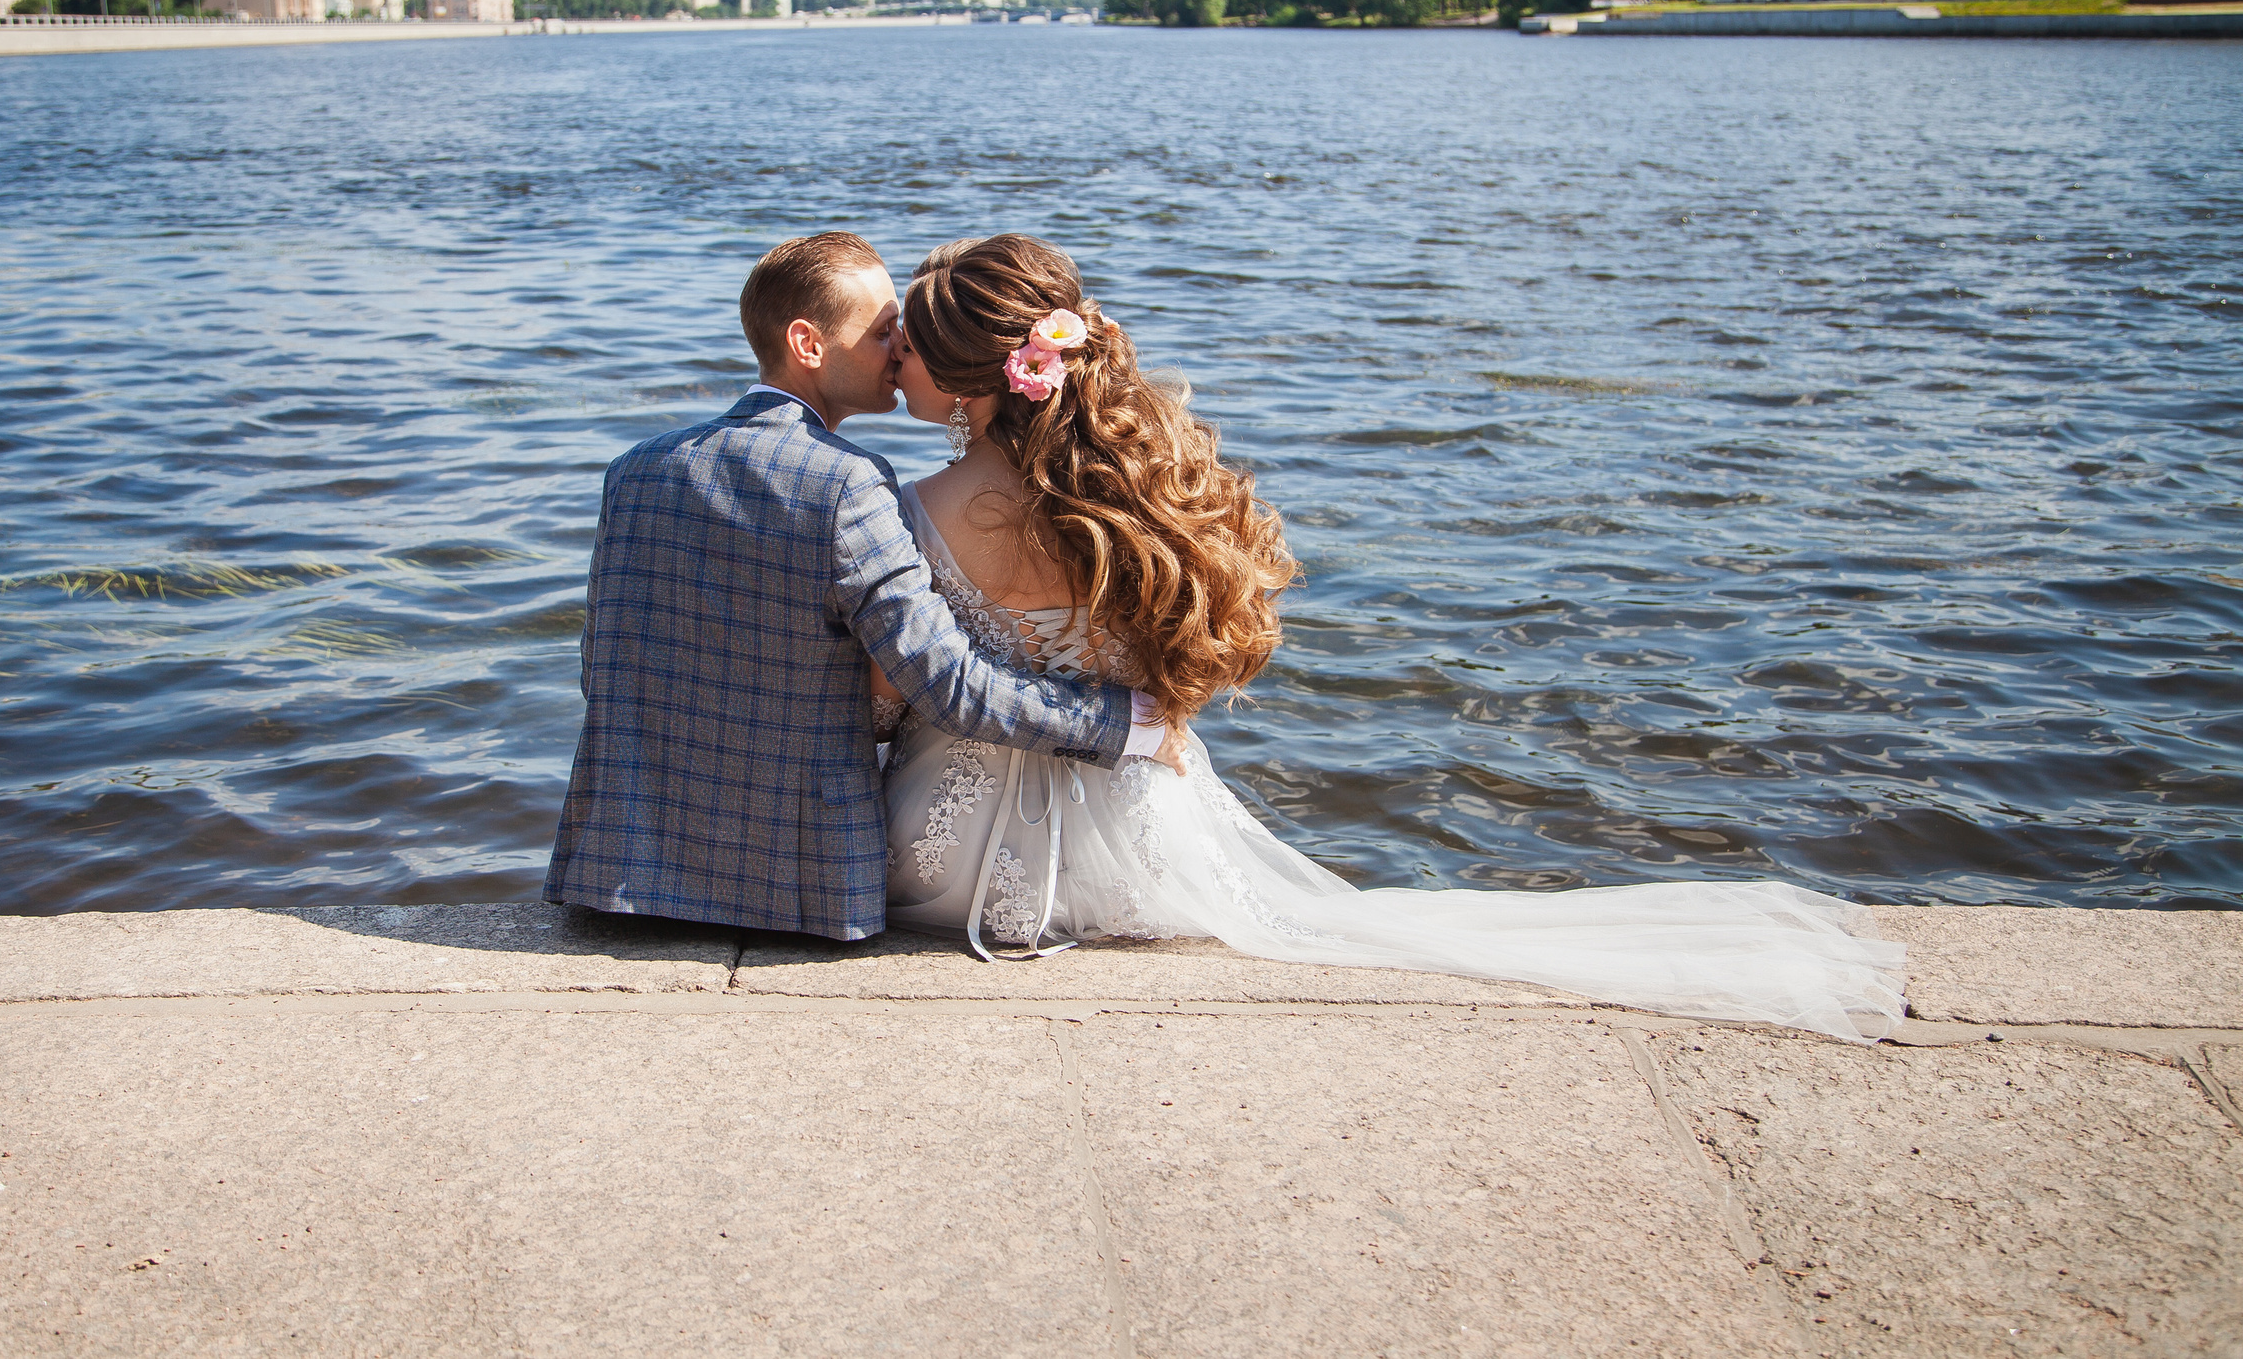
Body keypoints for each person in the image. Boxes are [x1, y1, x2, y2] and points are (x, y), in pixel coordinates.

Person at [876, 234, 1906, 1041]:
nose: (894, 360)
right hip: (1136, 841)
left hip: (942, 857)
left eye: (909, 346)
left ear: (970, 382)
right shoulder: (1141, 496)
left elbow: (897, 691)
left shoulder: (914, 508)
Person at [544, 232, 1181, 942]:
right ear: (808, 344)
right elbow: (946, 685)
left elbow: (599, 667)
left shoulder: (632, 469)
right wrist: (1122, 723)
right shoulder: (847, 481)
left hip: (618, 875)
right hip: (797, 891)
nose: (904, 350)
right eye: (884, 332)